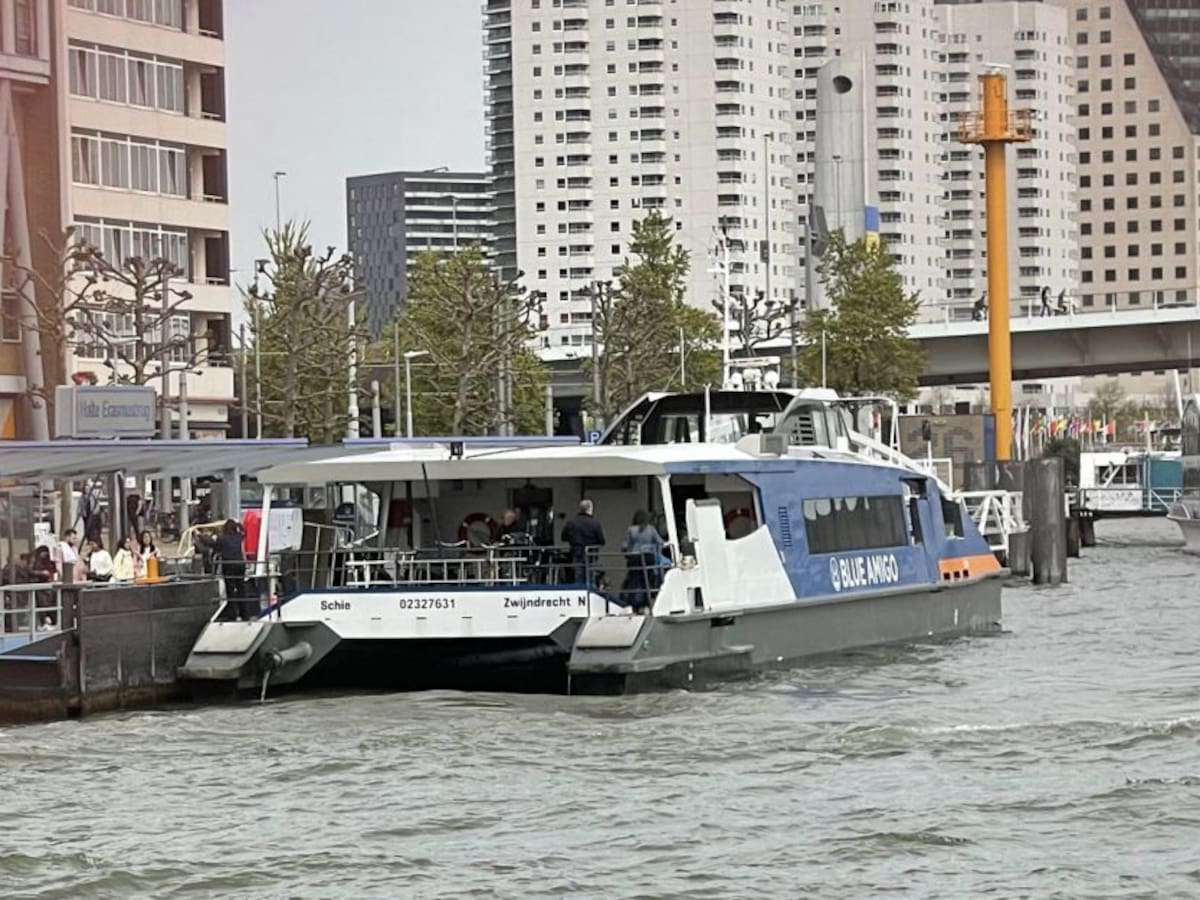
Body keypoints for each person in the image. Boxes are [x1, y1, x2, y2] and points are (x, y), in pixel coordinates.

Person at [620, 509, 664, 611]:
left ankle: (631, 605)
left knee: (633, 581)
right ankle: (646, 605)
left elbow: (624, 546)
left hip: (634, 557)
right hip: (648, 557)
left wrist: (626, 553)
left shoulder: (631, 530)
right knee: (647, 582)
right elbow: (660, 542)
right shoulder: (651, 529)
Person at [210, 519, 254, 620]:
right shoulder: (238, 537)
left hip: (229, 565)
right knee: (241, 590)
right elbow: (245, 532)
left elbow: (212, 544)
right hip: (240, 565)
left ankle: (232, 615)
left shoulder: (222, 538)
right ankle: (245, 615)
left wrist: (198, 535)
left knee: (230, 591)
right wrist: (238, 524)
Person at [562, 499, 605, 586]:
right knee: (591, 577)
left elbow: (563, 537)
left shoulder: (571, 522)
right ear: (590, 509)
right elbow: (602, 540)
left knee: (578, 577)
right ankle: (591, 594)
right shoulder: (595, 523)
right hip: (591, 553)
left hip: (576, 551)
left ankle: (580, 595)